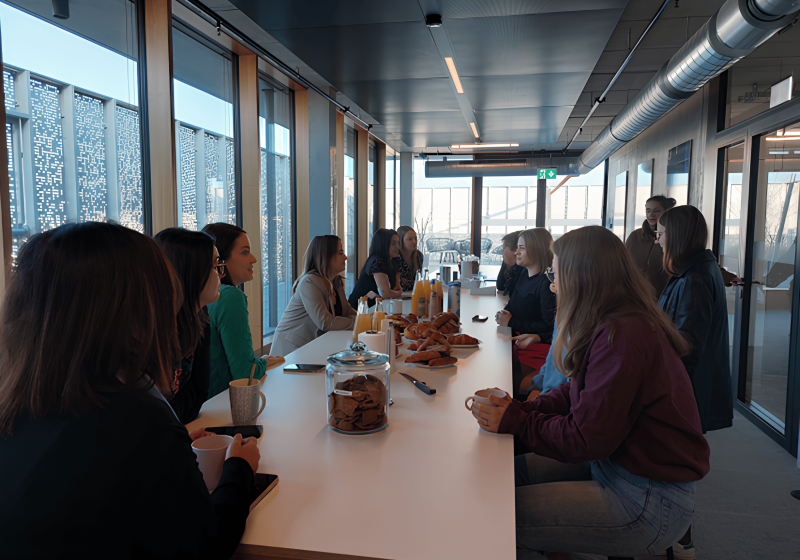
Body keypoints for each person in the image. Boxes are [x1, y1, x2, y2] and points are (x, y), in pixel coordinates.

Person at [0, 222, 260, 559]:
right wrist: (239, 468)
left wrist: (170, 452)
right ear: (135, 307)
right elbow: (209, 543)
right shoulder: (139, 421)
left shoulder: (16, 410)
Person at [472, 225, 710, 559]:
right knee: (510, 473)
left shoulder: (622, 336)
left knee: (497, 515)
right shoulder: (617, 320)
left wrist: (518, 421)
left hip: (646, 497)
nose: (553, 284)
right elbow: (575, 392)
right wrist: (520, 411)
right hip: (616, 465)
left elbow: (584, 438)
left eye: (556, 274)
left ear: (581, 278)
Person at [656, 205, 733, 433]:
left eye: (660, 234)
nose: (657, 241)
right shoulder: (697, 270)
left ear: (676, 235)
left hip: (689, 387)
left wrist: (665, 390)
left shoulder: (694, 279)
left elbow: (686, 346)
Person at [154, 227, 224, 423]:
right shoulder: (153, 331)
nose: (220, 274)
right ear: (190, 272)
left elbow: (199, 392)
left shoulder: (200, 317)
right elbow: (151, 414)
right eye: (213, 265)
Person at [203, 223, 279, 399]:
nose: (254, 259)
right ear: (220, 259)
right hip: (222, 404)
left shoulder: (208, 296)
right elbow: (245, 373)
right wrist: (262, 362)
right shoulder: (230, 296)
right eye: (245, 252)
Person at [271, 235, 356, 356]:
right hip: (291, 351)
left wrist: (367, 320)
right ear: (326, 257)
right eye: (340, 253)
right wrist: (358, 323)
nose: (345, 257)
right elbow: (325, 322)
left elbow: (347, 312)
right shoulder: (309, 282)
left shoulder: (336, 281)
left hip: (312, 347)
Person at [496, 228, 556, 343]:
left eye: (522, 248)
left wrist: (511, 322)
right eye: (517, 247)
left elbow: (549, 327)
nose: (516, 253)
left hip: (530, 345)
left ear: (537, 250)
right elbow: (512, 305)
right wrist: (503, 314)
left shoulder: (547, 284)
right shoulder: (522, 273)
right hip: (513, 338)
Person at [626, 195, 676, 297]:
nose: (651, 214)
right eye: (648, 210)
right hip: (634, 297)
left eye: (656, 210)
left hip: (663, 298)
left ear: (666, 212)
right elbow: (623, 266)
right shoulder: (634, 237)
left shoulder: (673, 238)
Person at [348, 228, 402, 308]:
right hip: (359, 310)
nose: (398, 247)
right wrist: (400, 293)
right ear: (383, 244)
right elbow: (386, 294)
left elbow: (396, 288)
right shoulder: (377, 262)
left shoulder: (392, 261)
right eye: (393, 243)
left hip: (374, 307)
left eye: (398, 242)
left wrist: (397, 292)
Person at [496, 230, 523, 296]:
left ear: (515, 249)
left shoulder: (522, 270)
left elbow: (512, 290)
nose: (502, 251)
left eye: (504, 247)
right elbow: (500, 286)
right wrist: (505, 261)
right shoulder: (512, 268)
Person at [396, 225, 423, 292]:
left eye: (415, 238)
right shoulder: (395, 257)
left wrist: (407, 281)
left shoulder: (419, 256)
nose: (414, 241)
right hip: (399, 296)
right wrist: (412, 283)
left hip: (416, 294)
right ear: (400, 240)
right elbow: (398, 285)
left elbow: (422, 282)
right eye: (410, 239)